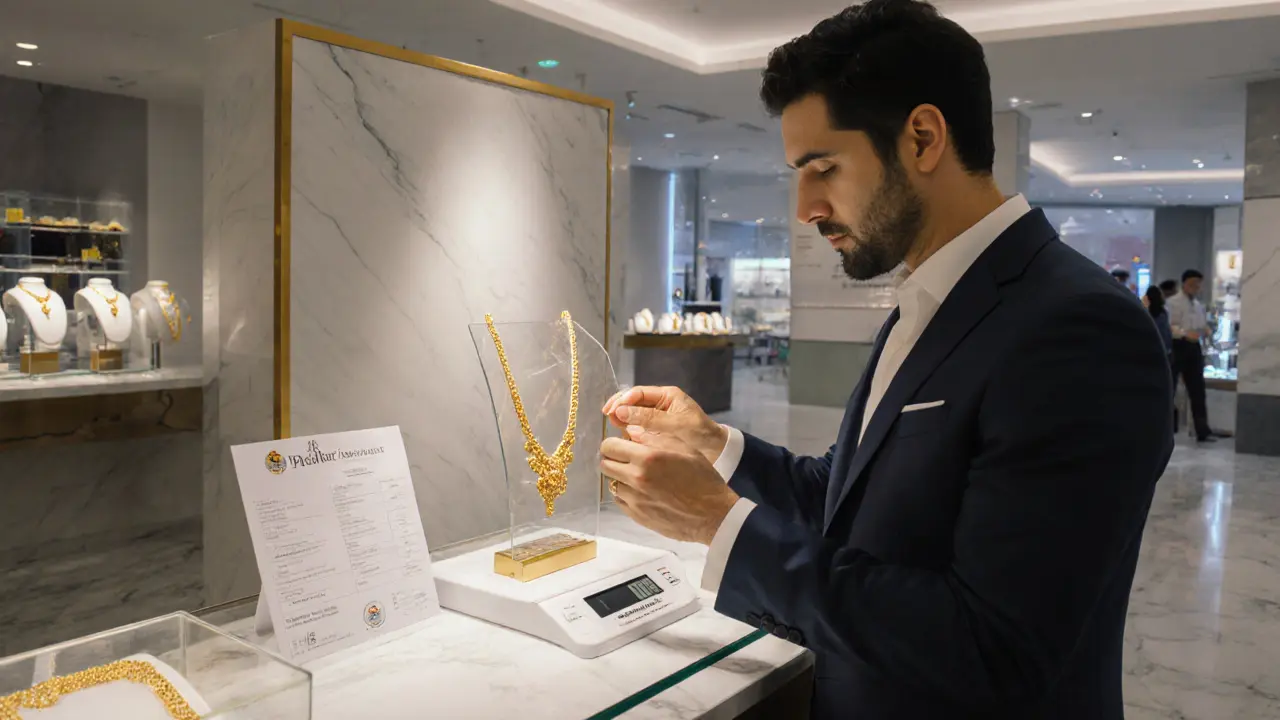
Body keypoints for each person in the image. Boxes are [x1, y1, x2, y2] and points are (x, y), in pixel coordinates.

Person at [598, 2, 1173, 718]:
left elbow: (994, 648)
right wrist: (716, 447)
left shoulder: (1077, 326)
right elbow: (848, 499)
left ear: (923, 138)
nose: (805, 207)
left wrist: (722, 527)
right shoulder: (929, 301)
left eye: (823, 168)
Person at [1167, 269, 1214, 441]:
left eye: (1198, 284)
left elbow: (1200, 324)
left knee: (1197, 390)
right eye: (1193, 284)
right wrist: (1185, 333)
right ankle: (1164, 428)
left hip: (1194, 348)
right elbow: (1169, 326)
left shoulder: (1198, 305)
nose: (1196, 287)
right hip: (1178, 346)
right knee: (1170, 388)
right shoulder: (1173, 303)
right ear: (1184, 284)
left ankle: (1202, 430)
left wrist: (1205, 329)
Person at [1146, 285, 1173, 358]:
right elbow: (1166, 332)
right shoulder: (1163, 313)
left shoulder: (1147, 313)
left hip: (1152, 349)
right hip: (1165, 349)